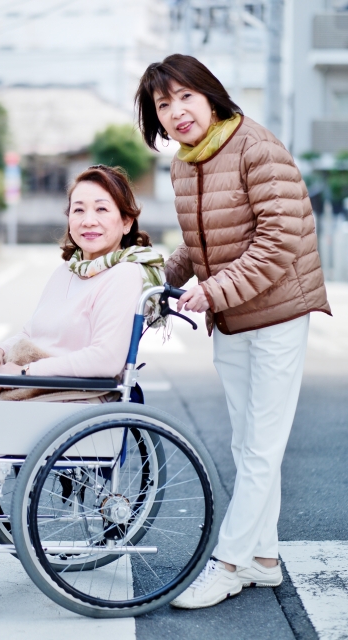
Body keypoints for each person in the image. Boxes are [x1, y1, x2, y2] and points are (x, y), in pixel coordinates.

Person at [135, 54, 331, 609]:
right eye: (162, 105)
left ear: (210, 95)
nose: (176, 113)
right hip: (232, 318)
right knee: (248, 446)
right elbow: (200, 244)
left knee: (262, 448)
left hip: (276, 314)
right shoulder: (185, 164)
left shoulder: (256, 147)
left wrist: (213, 291)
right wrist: (160, 280)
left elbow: (278, 240)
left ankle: (226, 564)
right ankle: (264, 559)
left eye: (184, 98)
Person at [0, 165, 164, 390]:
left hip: (70, 397)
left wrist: (25, 372)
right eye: (78, 210)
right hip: (33, 388)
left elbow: (106, 360)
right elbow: (31, 332)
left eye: (101, 209)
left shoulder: (124, 274)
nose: (88, 221)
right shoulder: (66, 272)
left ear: (126, 222)